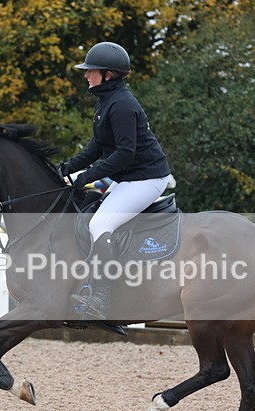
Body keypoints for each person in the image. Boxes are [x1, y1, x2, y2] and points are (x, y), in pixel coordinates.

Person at [58, 42, 173, 320]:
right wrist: (64, 169)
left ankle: (102, 298)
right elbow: (97, 146)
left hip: (147, 179)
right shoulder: (107, 100)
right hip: (131, 178)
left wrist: (86, 177)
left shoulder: (121, 104)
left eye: (91, 71)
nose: (86, 75)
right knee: (88, 216)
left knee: (100, 223)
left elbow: (124, 153)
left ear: (108, 75)